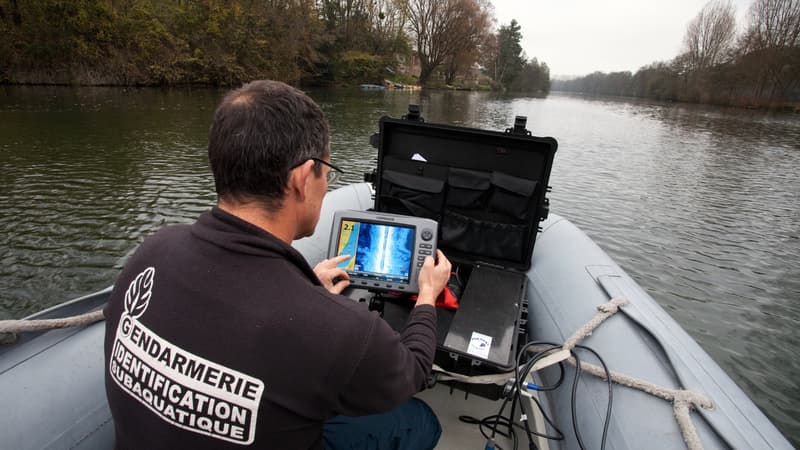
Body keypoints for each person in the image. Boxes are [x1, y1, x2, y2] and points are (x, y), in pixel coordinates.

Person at [103, 79, 452, 450]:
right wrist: (428, 295)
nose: (326, 183)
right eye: (327, 173)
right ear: (303, 179)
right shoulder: (340, 329)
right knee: (420, 421)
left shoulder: (151, 252)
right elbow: (412, 370)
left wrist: (307, 289)